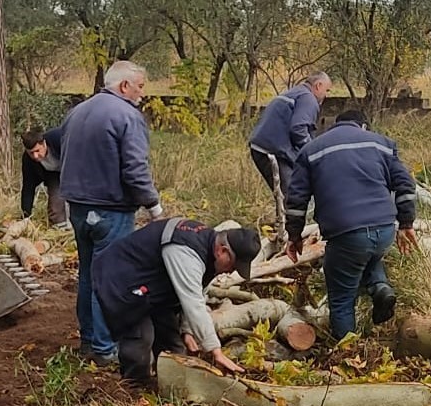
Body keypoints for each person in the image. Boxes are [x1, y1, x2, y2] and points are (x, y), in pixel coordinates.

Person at [60, 60, 163, 366]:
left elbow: (62, 152)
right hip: (111, 210)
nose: (143, 94)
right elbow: (135, 168)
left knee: (88, 274)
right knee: (110, 278)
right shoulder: (126, 116)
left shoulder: (78, 111)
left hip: (78, 208)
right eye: (140, 86)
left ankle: (89, 341)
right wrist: (153, 204)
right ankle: (105, 350)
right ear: (124, 86)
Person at [285, 109, 418, 339]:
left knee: (341, 298)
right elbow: (406, 184)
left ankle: (348, 352)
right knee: (368, 255)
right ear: (363, 126)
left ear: (335, 125)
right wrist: (406, 223)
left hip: (346, 233)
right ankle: (380, 287)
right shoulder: (383, 144)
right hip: (384, 229)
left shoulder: (311, 151)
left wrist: (294, 235)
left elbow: (296, 200)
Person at [92, 217, 255, 388]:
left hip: (155, 287)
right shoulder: (185, 251)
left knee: (173, 346)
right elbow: (193, 303)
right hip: (122, 277)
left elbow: (198, 292)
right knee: (140, 338)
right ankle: (132, 390)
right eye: (233, 265)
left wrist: (187, 330)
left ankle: (169, 387)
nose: (231, 272)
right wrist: (215, 350)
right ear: (222, 251)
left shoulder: (208, 252)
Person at [248, 72, 331, 206]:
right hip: (273, 151)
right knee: (292, 195)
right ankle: (291, 226)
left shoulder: (294, 93)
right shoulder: (308, 99)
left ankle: (283, 222)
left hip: (261, 147)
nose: (326, 95)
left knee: (284, 194)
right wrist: (311, 154)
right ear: (318, 85)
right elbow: (298, 129)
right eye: (327, 90)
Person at [20, 127, 69, 228]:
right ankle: (59, 230)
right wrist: (25, 216)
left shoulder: (58, 138)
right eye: (31, 153)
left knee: (77, 200)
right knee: (55, 207)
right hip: (53, 175)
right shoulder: (28, 160)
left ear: (44, 143)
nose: (36, 156)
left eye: (37, 150)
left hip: (73, 169)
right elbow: (28, 188)